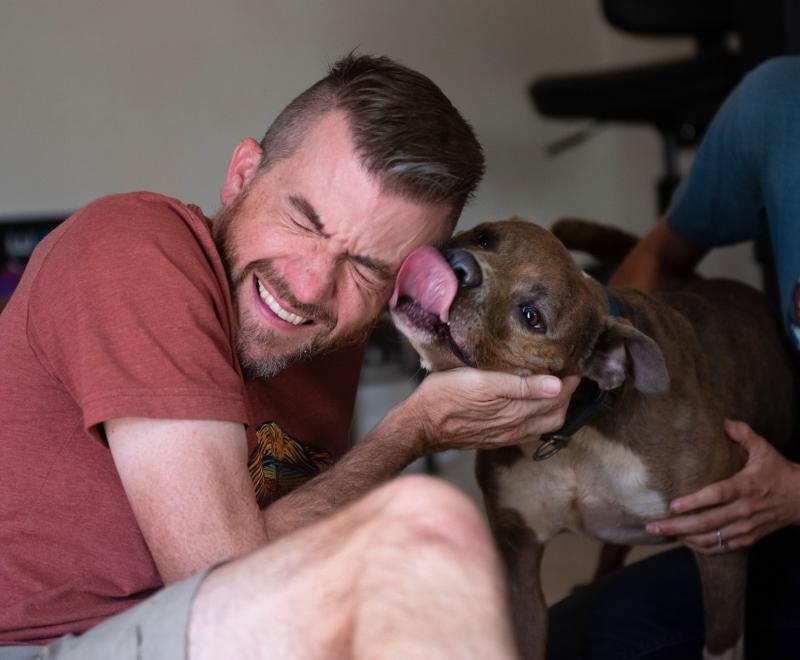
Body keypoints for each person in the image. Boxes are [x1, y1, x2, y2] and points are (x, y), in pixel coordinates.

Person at [0, 54, 579, 659]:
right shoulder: (134, 248)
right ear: (242, 174)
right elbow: (228, 580)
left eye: (367, 268)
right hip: (40, 647)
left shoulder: (333, 337)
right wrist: (413, 431)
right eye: (304, 220)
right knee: (425, 528)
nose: (308, 288)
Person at [547, 55, 800, 659]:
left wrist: (793, 491)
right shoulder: (778, 103)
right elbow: (660, 259)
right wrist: (597, 382)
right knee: (577, 642)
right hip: (780, 511)